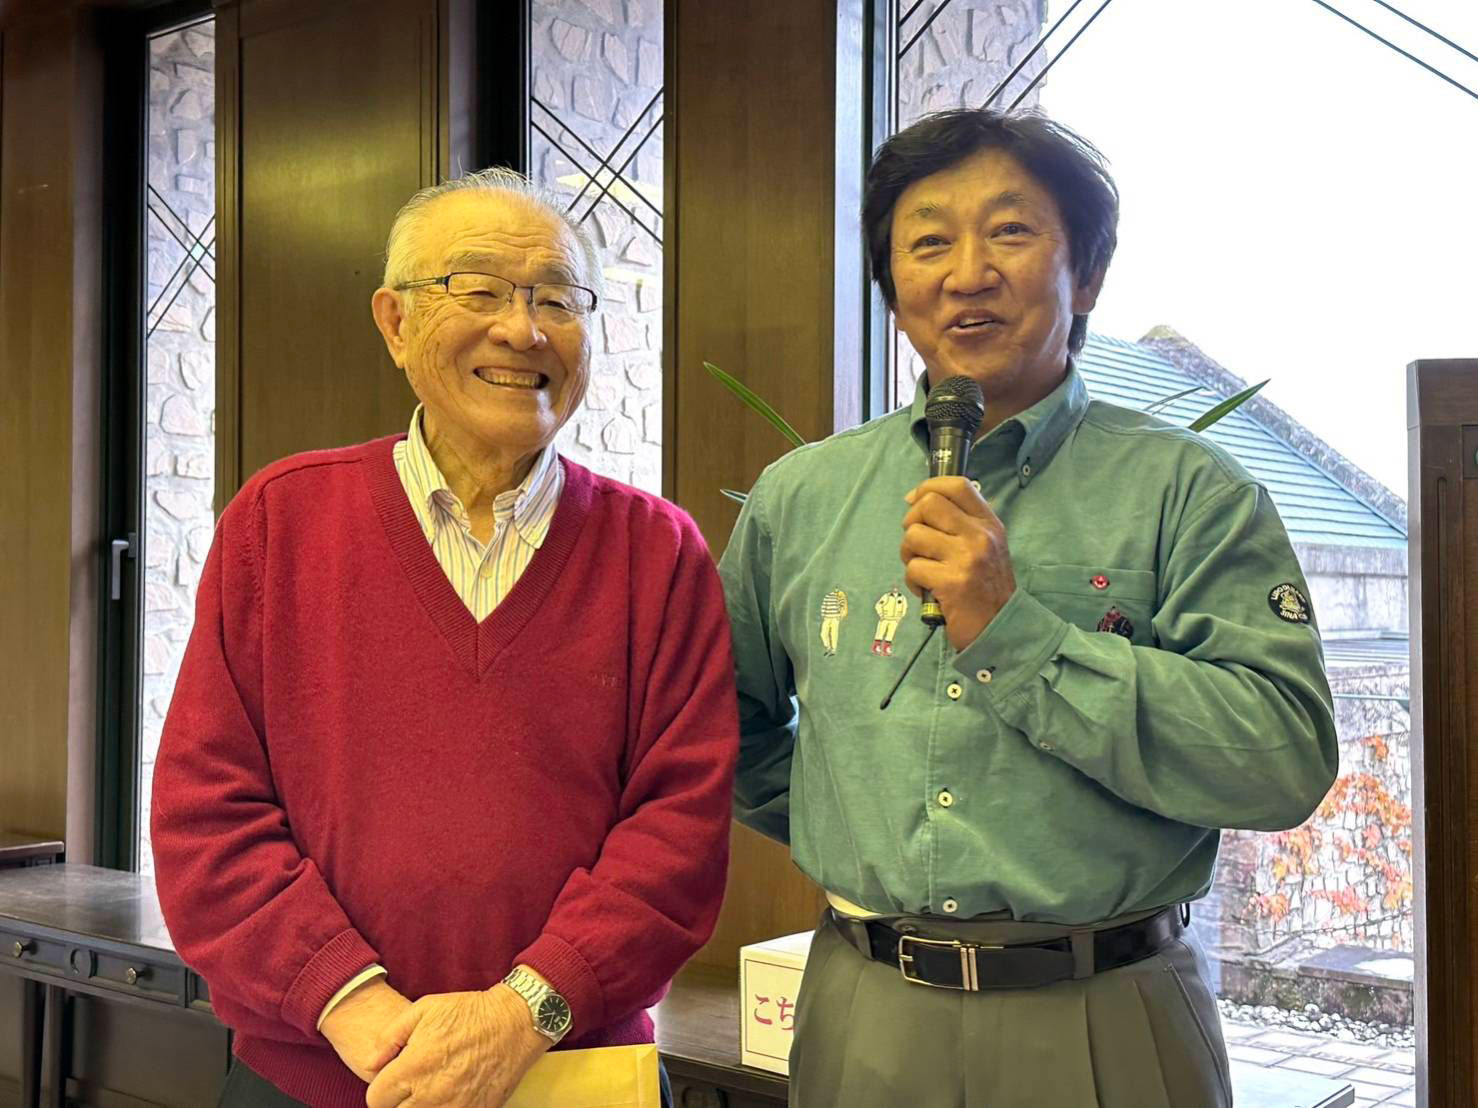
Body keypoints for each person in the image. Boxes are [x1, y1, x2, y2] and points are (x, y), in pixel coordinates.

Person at [719, 108, 1339, 1107]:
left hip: (1108, 1012)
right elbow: (720, 725)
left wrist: (1015, 632)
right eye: (926, 241)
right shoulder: (800, 495)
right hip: (864, 1014)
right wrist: (853, 812)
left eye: (1008, 231)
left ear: (1084, 274)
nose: (965, 271)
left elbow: (1279, 759)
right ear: (892, 287)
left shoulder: (1189, 492)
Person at [152, 168, 738, 1108]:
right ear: (393, 322)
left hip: (569, 1077)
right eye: (479, 290)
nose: (523, 329)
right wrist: (361, 1013)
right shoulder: (280, 520)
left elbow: (679, 833)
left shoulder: (656, 552)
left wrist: (515, 1018)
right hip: (320, 1074)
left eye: (556, 297)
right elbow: (205, 809)